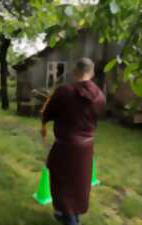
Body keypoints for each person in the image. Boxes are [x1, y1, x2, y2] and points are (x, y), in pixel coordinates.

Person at [40, 58, 106, 225]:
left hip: (65, 146)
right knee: (79, 184)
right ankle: (71, 216)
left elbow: (47, 114)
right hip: (86, 148)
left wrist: (46, 112)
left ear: (76, 71)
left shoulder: (64, 91)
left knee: (62, 183)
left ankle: (70, 219)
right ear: (91, 73)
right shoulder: (100, 97)